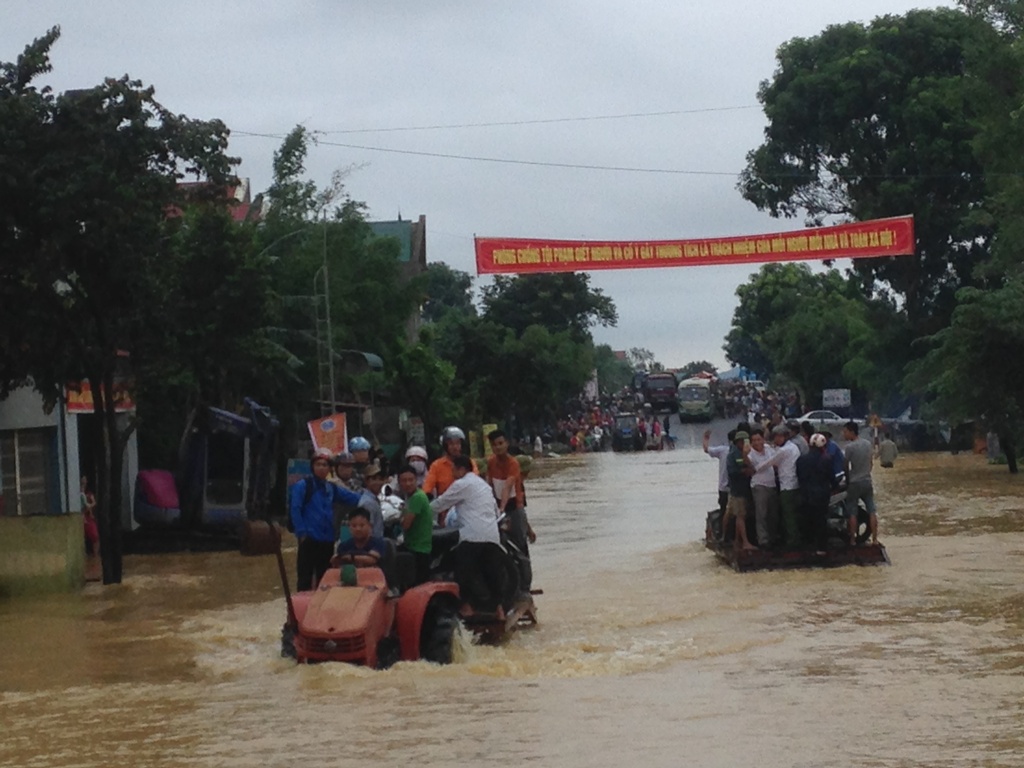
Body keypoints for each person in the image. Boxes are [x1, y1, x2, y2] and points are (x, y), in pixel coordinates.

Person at [430, 455, 506, 618]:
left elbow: (441, 503)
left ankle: (466, 606)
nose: (452, 473)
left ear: (461, 469)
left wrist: (420, 511)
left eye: (453, 470)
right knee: (491, 573)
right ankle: (498, 608)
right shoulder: (483, 485)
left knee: (463, 572)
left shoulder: (462, 484)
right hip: (492, 535)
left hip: (472, 536)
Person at [289, 447, 363, 591]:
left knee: (325, 578)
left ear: (330, 468)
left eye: (325, 465)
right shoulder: (303, 486)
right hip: (309, 538)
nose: (322, 468)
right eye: (318, 464)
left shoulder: (331, 488)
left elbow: (352, 498)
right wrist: (302, 533)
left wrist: (372, 498)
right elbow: (295, 509)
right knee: (305, 578)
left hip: (327, 539)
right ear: (312, 466)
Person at [487, 429, 535, 593]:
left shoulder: (513, 464)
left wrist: (501, 509)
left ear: (507, 443)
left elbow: (508, 486)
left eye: (500, 443)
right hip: (497, 510)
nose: (498, 447)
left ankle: (525, 588)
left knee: (520, 548)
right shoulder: (490, 463)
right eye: (494, 445)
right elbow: (489, 487)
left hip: (513, 509)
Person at [796, 434, 836, 552]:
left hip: (805, 495)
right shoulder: (827, 459)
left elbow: (799, 477)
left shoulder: (801, 459)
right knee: (821, 521)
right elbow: (831, 478)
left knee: (807, 520)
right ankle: (821, 548)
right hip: (821, 496)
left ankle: (807, 546)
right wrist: (835, 486)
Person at [396, 464, 433, 585]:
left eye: (410, 480)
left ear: (416, 480)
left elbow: (406, 524)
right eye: (404, 480)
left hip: (418, 549)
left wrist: (400, 520)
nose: (407, 483)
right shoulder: (410, 497)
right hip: (414, 545)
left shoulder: (417, 497)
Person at [842, 421, 878, 545]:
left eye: (845, 431)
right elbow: (871, 463)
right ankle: (875, 540)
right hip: (867, 481)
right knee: (871, 510)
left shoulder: (849, 447)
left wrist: (847, 479)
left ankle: (852, 540)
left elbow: (845, 466)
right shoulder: (868, 444)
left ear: (852, 432)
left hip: (854, 482)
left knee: (852, 512)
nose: (844, 434)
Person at [423, 426, 479, 499]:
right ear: (445, 446)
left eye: (458, 443)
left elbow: (476, 482)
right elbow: (427, 487)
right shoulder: (436, 465)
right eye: (451, 444)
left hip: (466, 504)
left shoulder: (470, 462)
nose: (455, 447)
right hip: (445, 505)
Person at [746, 429, 779, 548]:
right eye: (754, 440)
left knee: (773, 514)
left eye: (758, 439)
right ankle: (763, 540)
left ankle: (773, 537)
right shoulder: (750, 453)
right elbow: (750, 466)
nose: (756, 442)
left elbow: (776, 460)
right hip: (759, 485)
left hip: (772, 484)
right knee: (761, 514)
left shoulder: (769, 449)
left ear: (763, 439)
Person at [725, 431, 756, 550]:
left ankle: (738, 540)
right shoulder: (733, 454)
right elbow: (732, 472)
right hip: (738, 490)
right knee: (740, 516)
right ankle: (745, 542)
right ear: (738, 442)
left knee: (741, 515)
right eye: (742, 442)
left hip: (745, 489)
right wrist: (744, 471)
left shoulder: (747, 453)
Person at [703, 428, 733, 516]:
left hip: (725, 488)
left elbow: (706, 449)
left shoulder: (722, 450)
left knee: (724, 511)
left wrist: (705, 438)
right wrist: (705, 438)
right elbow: (706, 450)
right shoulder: (723, 450)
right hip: (727, 489)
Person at [358, 461, 387, 539]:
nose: (378, 482)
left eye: (380, 479)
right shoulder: (368, 503)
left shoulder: (373, 499)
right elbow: (367, 531)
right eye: (374, 479)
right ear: (367, 481)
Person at [80, 475, 99, 558]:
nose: (84, 482)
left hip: (88, 518)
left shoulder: (88, 494)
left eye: (85, 480)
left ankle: (95, 556)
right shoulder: (79, 494)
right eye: (82, 480)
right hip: (81, 518)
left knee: (95, 536)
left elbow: (92, 504)